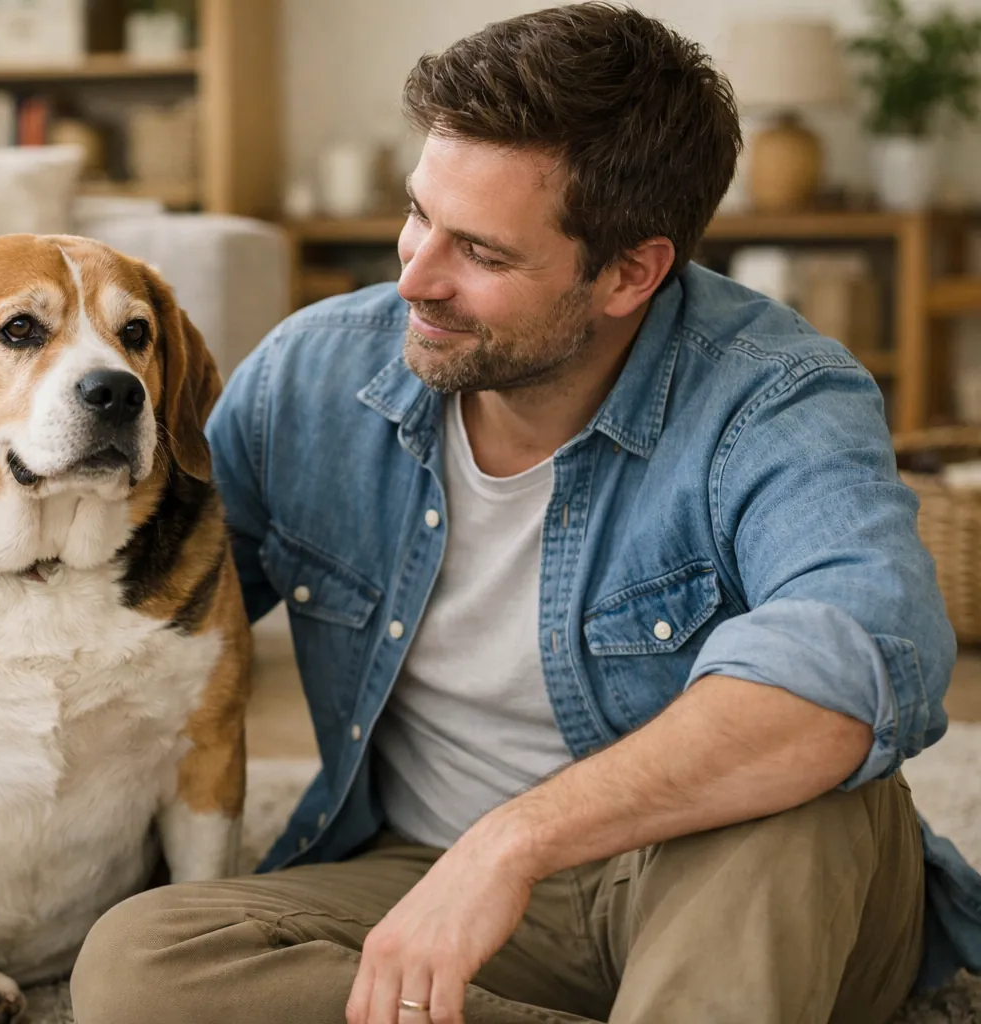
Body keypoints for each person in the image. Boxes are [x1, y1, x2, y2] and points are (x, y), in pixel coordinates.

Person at [69, 4, 981, 1023]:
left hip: (716, 864)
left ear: (631, 271)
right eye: (418, 212)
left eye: (484, 254)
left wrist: (512, 841)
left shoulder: (776, 397)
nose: (413, 276)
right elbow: (139, 599)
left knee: (801, 793)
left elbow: (853, 661)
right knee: (140, 964)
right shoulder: (315, 375)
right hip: (428, 870)